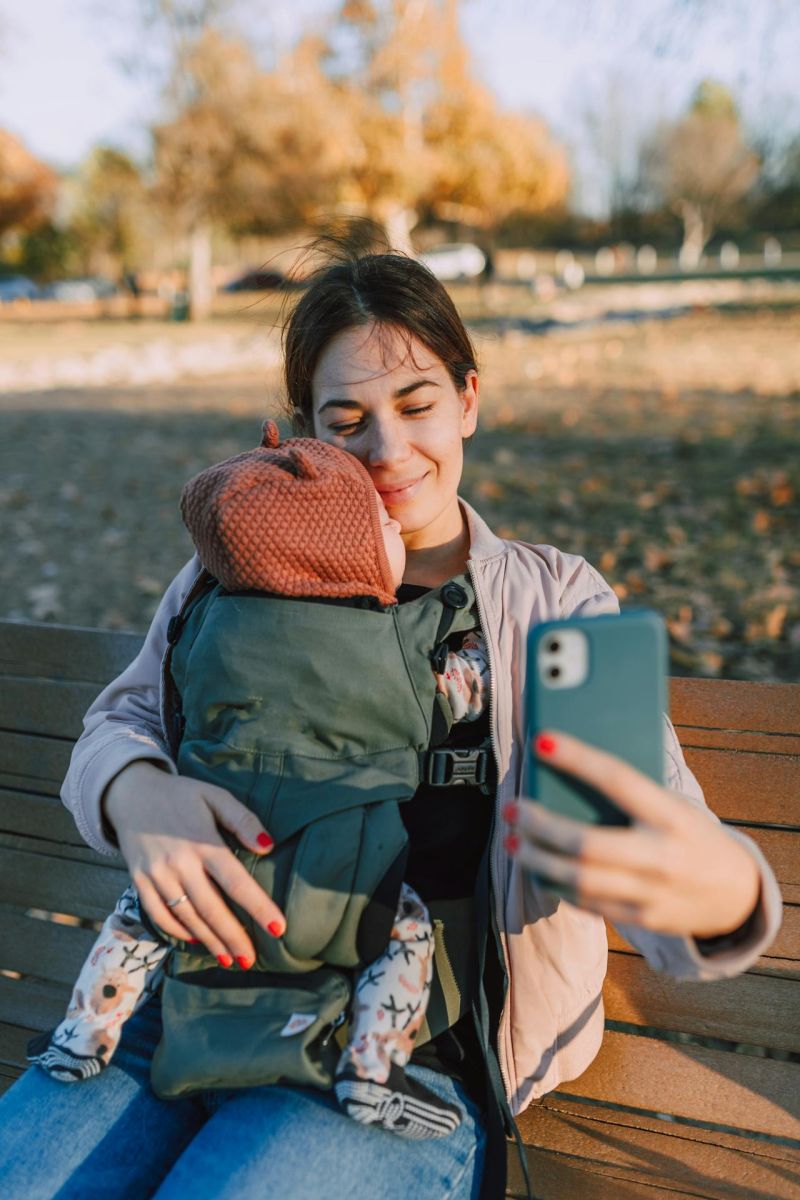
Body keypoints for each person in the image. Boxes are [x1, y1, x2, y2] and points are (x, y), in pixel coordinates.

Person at [0, 241, 782, 1200]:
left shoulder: (552, 600)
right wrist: (137, 794)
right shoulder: (236, 571)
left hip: (404, 1059)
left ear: (469, 400)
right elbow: (115, 725)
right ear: (305, 431)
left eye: (417, 406)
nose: (388, 450)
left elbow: (649, 818)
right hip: (176, 1010)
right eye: (348, 420)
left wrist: (716, 888)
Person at [29, 423, 490, 1143]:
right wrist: (482, 671)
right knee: (402, 933)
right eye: (377, 525)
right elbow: (456, 690)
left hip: (209, 888)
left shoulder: (213, 619)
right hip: (342, 885)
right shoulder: (398, 638)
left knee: (135, 917)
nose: (389, 505)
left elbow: (164, 695)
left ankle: (83, 1038)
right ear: (343, 555)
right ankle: (372, 1067)